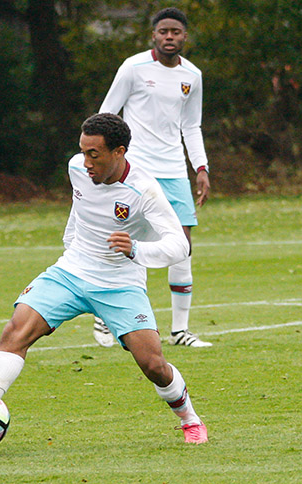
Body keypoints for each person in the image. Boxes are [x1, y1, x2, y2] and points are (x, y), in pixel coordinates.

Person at [0, 113, 209, 444]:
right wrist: (70, 246)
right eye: (82, 151)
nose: (85, 162)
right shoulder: (77, 168)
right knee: (16, 330)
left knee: (153, 363)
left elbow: (178, 245)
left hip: (119, 283)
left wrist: (136, 251)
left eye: (94, 154)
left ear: (119, 152)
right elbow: (80, 209)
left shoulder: (144, 189)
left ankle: (190, 421)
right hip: (71, 271)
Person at [95, 7, 212, 348]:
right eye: (163, 31)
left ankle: (180, 331)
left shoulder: (193, 75)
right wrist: (104, 162)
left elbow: (191, 126)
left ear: (185, 36)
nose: (169, 37)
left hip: (174, 170)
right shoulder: (133, 68)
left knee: (182, 246)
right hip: (137, 169)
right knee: (126, 240)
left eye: (176, 32)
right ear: (154, 35)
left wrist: (201, 168)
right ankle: (106, 315)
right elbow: (107, 113)